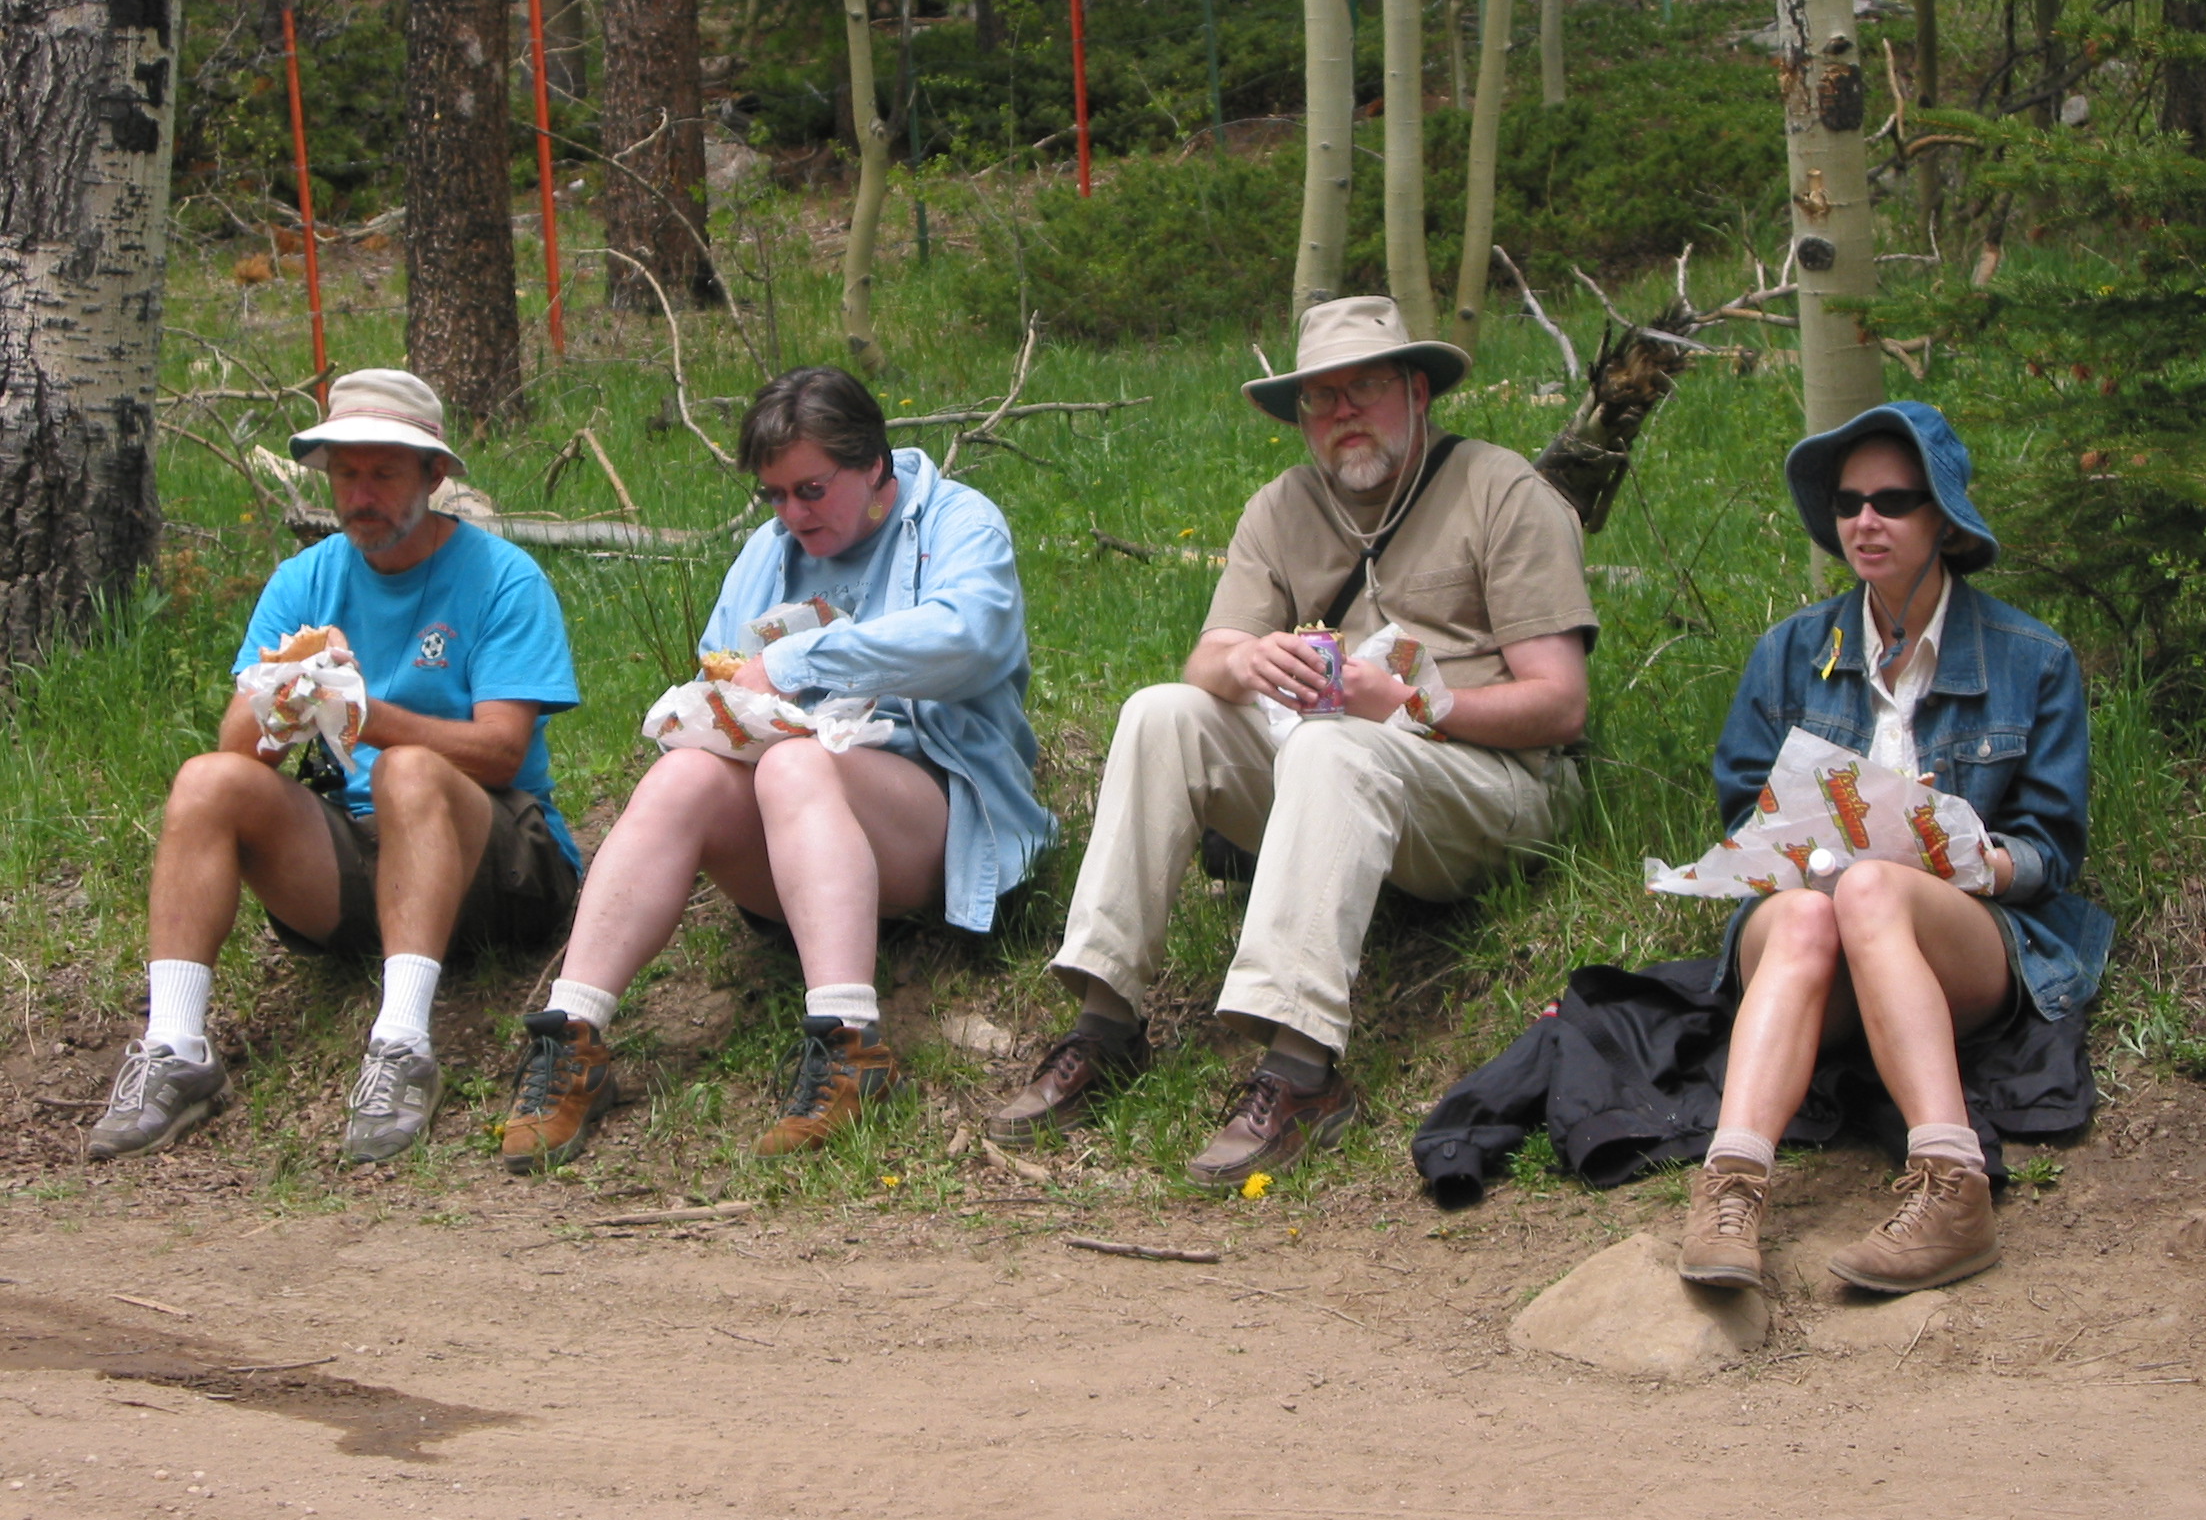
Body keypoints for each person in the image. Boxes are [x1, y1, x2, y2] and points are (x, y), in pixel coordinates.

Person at [984, 296, 1596, 1187]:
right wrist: (1247, 660)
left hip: (1488, 786)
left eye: (1366, 389)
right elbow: (1207, 660)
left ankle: (1301, 1068)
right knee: (1160, 711)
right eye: (1320, 399)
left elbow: (1560, 706)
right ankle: (1104, 1022)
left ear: (1418, 392)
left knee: (1333, 744)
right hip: (1341, 773)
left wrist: (1414, 708)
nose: (1343, 414)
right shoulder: (1282, 507)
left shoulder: (1502, 491)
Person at [501, 365, 1053, 1172]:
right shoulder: (772, 549)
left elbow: (969, 638)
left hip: (932, 807)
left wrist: (796, 663)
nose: (792, 515)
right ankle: (573, 1036)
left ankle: (848, 1044)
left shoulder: (959, 522)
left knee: (797, 766)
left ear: (875, 466)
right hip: (791, 815)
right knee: (681, 776)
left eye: (811, 490)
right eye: (774, 497)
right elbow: (723, 670)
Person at [90, 370, 584, 1165]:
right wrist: (283, 712)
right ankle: (175, 1050)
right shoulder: (305, 581)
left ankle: (403, 1044)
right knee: (205, 782)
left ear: (436, 476)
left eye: (385, 472)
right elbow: (234, 753)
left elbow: (502, 750)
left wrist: (367, 717)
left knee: (407, 772)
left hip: (505, 870)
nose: (362, 494)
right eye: (346, 473)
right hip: (358, 862)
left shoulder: (502, 578)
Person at [1680, 401, 2112, 1295]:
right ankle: (1729, 1192)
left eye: (1893, 500)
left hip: (1956, 942)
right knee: (1806, 912)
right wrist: (1794, 848)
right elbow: (1742, 820)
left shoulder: (2032, 658)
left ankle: (1953, 1188)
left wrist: (1976, 861)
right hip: (1811, 950)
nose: (1865, 522)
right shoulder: (1789, 651)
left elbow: (2050, 849)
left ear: (1943, 519)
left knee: (1874, 889)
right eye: (1847, 503)